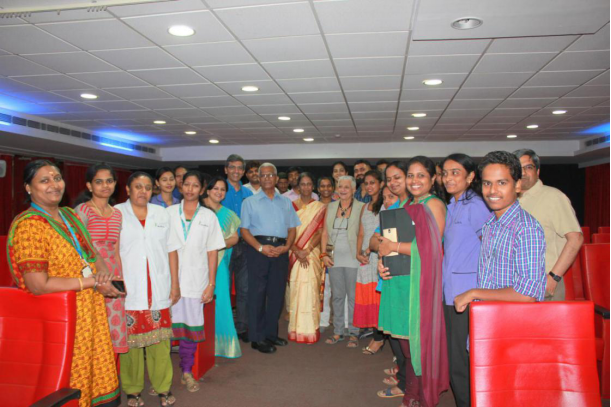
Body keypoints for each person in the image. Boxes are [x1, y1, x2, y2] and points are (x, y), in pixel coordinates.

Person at [7, 160, 122, 407]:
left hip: (90, 310)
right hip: (61, 316)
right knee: (69, 379)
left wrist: (102, 273)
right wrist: (90, 282)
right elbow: (38, 284)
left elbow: (92, 253)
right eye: (44, 180)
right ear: (28, 187)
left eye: (57, 178)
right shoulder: (30, 225)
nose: (54, 184)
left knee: (97, 374)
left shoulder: (70, 215)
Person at [377, 157, 449, 407]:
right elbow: (385, 240)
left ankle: (418, 396)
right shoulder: (407, 205)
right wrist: (382, 260)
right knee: (406, 345)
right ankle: (412, 392)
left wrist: (393, 246)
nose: (414, 180)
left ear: (433, 178)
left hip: (419, 282)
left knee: (419, 345)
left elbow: (430, 248)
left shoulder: (434, 204)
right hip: (399, 280)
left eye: (421, 175)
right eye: (411, 175)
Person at [116, 172, 182, 407]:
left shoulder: (161, 213)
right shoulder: (116, 213)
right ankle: (132, 389)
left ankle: (163, 387)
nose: (142, 191)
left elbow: (172, 250)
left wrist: (175, 284)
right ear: (128, 189)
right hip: (129, 289)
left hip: (158, 287)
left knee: (160, 343)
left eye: (146, 187)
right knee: (131, 345)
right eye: (137, 186)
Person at [454, 150, 547, 311]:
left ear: (517, 185)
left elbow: (527, 294)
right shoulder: (491, 223)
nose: (492, 190)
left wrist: (474, 293)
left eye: (502, 183)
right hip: (489, 316)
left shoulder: (526, 228)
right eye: (487, 183)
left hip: (513, 320)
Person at [440, 154, 491, 407]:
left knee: (462, 358)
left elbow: (489, 249)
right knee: (455, 356)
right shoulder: (452, 204)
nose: (448, 178)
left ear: (470, 177)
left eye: (455, 172)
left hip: (468, 293)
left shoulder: (476, 206)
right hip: (450, 291)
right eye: (445, 173)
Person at [168, 171, 225, 392]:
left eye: (195, 185)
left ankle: (186, 371)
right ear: (181, 186)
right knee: (164, 330)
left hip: (196, 281)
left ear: (202, 189)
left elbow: (212, 252)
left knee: (190, 330)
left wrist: (211, 284)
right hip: (168, 281)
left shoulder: (208, 216)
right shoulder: (168, 213)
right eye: (186, 184)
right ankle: (162, 377)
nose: (190, 189)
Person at [241, 163, 301, 354]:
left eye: (270, 175)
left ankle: (270, 334)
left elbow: (292, 228)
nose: (267, 178)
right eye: (263, 175)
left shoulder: (286, 202)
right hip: (258, 250)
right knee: (257, 294)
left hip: (281, 250)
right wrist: (260, 247)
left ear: (276, 178)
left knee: (276, 294)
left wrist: (287, 247)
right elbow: (244, 230)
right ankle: (257, 338)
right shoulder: (249, 202)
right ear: (259, 178)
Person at [513, 149, 584, 301]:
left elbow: (576, 238)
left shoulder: (554, 197)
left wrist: (553, 277)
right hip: (513, 284)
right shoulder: (509, 200)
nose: (523, 173)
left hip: (544, 283)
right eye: (518, 168)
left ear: (537, 171)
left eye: (528, 167)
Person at [75, 163, 128, 357]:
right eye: (99, 182)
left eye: (109, 181)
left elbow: (116, 251)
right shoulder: (82, 211)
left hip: (112, 273)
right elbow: (78, 249)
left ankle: (110, 372)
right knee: (93, 326)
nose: (105, 185)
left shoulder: (117, 214)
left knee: (113, 325)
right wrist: (92, 277)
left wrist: (121, 279)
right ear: (89, 186)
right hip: (90, 274)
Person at [321, 176, 365, 348]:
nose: (343, 190)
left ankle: (354, 333)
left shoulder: (361, 207)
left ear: (354, 190)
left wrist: (362, 253)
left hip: (353, 258)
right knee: (337, 296)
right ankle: (338, 331)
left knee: (353, 297)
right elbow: (325, 233)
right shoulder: (331, 207)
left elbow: (362, 233)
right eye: (340, 186)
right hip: (334, 258)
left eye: (347, 187)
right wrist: (324, 255)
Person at [203, 176, 243, 359]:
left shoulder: (229, 215)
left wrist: (215, 245)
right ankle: (197, 343)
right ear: (207, 190)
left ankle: (222, 346)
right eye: (215, 188)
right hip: (196, 264)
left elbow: (235, 238)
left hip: (219, 264)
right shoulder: (197, 209)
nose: (219, 192)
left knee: (220, 302)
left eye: (222, 189)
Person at [288, 173, 327, 344]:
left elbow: (320, 231)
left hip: (312, 252)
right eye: (302, 184)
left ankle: (310, 329)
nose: (306, 187)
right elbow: (287, 231)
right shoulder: (290, 206)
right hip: (294, 252)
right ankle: (295, 328)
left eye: (309, 184)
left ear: (313, 187)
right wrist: (297, 251)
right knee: (296, 289)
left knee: (310, 288)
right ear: (298, 187)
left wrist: (307, 250)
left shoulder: (319, 207)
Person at [221, 154, 253, 343]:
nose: (236, 171)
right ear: (226, 169)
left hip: (245, 244)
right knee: (223, 287)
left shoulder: (248, 194)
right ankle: (223, 328)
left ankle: (242, 327)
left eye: (240, 168)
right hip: (224, 246)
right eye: (232, 167)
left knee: (244, 289)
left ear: (244, 171)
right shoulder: (218, 189)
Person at [355, 170, 385, 355]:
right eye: (366, 183)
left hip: (379, 255)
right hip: (366, 258)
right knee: (370, 298)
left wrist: (369, 250)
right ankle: (377, 335)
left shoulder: (387, 205)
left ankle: (379, 338)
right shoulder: (365, 207)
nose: (369, 186)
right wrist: (358, 253)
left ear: (381, 184)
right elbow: (361, 233)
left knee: (380, 299)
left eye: (373, 182)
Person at [317, 175, 335, 331]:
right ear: (318, 189)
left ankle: (342, 321)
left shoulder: (340, 205)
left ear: (333, 188)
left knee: (339, 288)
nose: (326, 189)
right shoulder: (313, 207)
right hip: (317, 250)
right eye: (322, 186)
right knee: (323, 287)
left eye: (329, 185)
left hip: (336, 250)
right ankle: (323, 320)